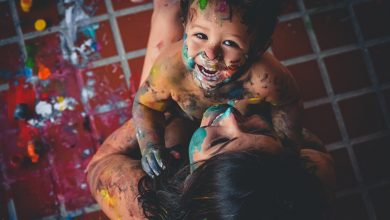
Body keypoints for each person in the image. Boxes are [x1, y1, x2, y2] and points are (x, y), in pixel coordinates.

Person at [132, 0, 304, 178]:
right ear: (185, 26)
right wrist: (151, 146)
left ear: (258, 49)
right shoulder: (171, 69)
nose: (211, 54)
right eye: (200, 35)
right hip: (180, 116)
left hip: (237, 127)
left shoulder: (265, 79)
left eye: (230, 43)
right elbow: (145, 105)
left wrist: (287, 149)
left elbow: (289, 103)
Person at [87, 104, 335, 219]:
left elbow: (97, 165)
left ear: (188, 182)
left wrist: (157, 114)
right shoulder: (316, 172)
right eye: (261, 132)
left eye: (219, 142)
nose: (230, 116)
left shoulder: (139, 207)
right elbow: (309, 144)